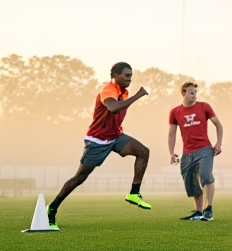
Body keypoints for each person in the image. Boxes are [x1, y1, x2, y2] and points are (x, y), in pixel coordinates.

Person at [46, 62, 152, 228]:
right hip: (97, 140)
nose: (129, 79)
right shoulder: (108, 89)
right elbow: (113, 108)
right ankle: (52, 207)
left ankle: (134, 193)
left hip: (115, 137)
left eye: (131, 76)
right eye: (126, 75)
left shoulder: (124, 92)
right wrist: (138, 95)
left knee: (143, 152)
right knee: (80, 178)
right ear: (115, 75)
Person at [167, 81, 224, 221]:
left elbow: (219, 125)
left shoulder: (204, 107)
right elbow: (171, 134)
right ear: (183, 93)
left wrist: (218, 144)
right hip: (187, 152)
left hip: (204, 149)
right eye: (191, 91)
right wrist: (171, 152)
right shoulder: (175, 112)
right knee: (191, 182)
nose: (194, 94)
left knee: (206, 176)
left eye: (195, 92)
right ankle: (198, 211)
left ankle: (208, 209)